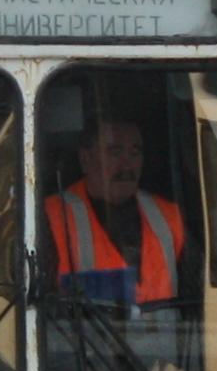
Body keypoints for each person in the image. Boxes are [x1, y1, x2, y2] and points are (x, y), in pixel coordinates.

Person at [43, 113, 189, 315]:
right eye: (115, 152)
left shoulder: (169, 217)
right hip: (79, 346)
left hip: (168, 344)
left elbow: (196, 298)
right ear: (85, 159)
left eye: (135, 153)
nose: (127, 166)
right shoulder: (51, 217)